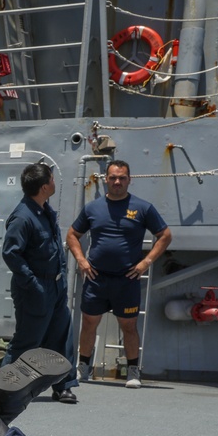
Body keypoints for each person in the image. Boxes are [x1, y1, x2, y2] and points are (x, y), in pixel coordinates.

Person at [66, 160, 172, 389]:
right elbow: (72, 235)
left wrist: (146, 262)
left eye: (122, 178)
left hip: (127, 280)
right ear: (106, 179)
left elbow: (164, 235)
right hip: (96, 278)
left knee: (129, 326)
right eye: (113, 177)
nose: (117, 182)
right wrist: (82, 261)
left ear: (129, 179)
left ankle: (133, 371)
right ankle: (83, 367)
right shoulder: (93, 208)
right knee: (88, 323)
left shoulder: (143, 208)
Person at [0, 164, 78, 404]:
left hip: (55, 288)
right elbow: (11, 253)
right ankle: (4, 389)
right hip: (35, 289)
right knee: (27, 340)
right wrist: (32, 284)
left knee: (60, 336)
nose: (55, 182)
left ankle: (63, 386)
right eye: (52, 179)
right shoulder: (23, 217)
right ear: (45, 187)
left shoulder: (44, 211)